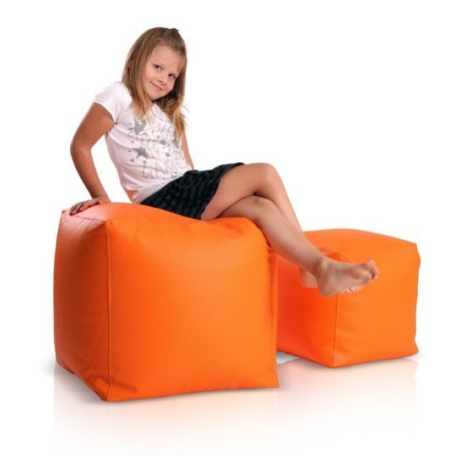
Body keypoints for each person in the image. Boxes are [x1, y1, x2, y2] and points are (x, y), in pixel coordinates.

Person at [69, 27, 378, 296]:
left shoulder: (169, 114)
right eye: (157, 67)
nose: (163, 79)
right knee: (265, 173)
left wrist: (205, 193)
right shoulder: (118, 95)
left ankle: (317, 266)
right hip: (162, 200)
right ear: (135, 59)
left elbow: (188, 169)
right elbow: (80, 145)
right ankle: (314, 266)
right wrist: (101, 195)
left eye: (172, 75)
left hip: (185, 193)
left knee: (261, 207)